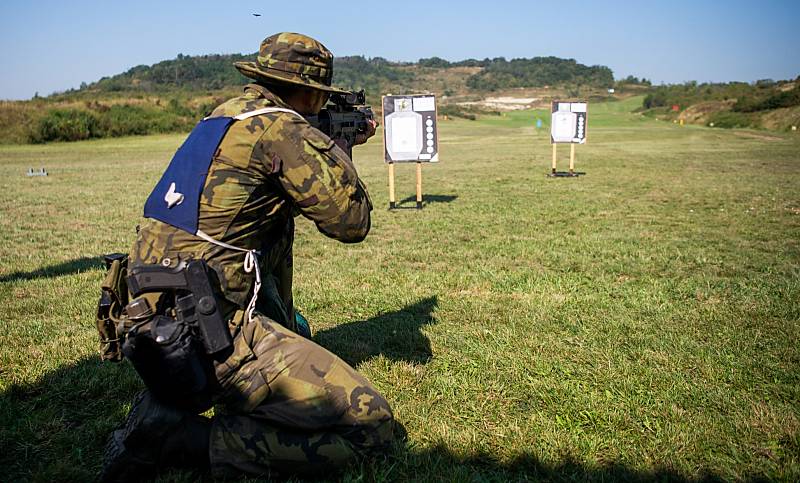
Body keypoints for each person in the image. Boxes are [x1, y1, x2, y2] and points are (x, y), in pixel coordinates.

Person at [101, 32, 395, 481]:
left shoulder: (224, 116)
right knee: (370, 425)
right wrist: (336, 152)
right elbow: (350, 223)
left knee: (279, 257)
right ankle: (181, 439)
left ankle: (191, 393)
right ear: (313, 91)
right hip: (208, 328)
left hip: (150, 312)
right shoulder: (284, 128)